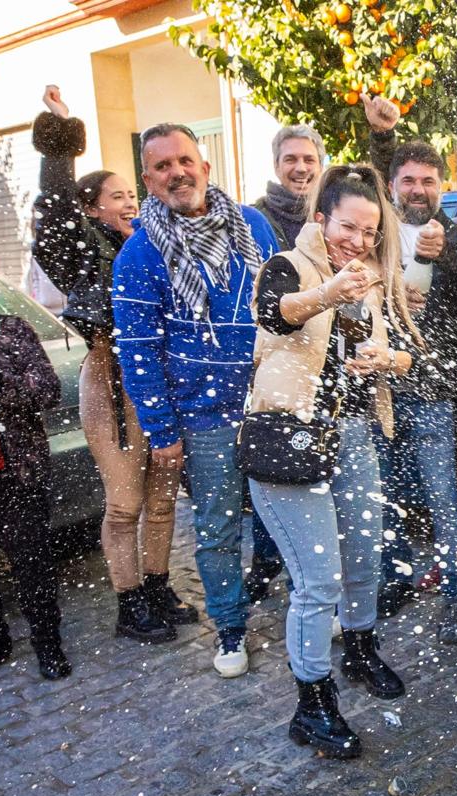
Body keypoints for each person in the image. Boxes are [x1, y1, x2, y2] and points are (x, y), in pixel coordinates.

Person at [248, 164, 417, 758]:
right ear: (322, 219)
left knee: (365, 556)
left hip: (352, 435)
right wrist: (328, 293)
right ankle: (311, 705)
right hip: (289, 438)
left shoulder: (369, 281)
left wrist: (385, 361)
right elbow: (274, 313)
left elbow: (406, 356)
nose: (359, 240)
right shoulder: (285, 267)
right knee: (318, 581)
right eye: (349, 226)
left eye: (369, 232)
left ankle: (362, 650)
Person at [112, 123, 279, 678]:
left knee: (284, 514)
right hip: (203, 418)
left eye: (185, 160)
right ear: (147, 180)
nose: (177, 172)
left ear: (205, 167)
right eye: (162, 166)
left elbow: (286, 302)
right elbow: (139, 353)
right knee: (217, 529)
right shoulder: (137, 256)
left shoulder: (252, 225)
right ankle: (231, 631)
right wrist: (162, 431)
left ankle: (309, 603)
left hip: (270, 402)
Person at [32, 86, 197, 643]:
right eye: (117, 195)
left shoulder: (158, 242)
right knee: (125, 502)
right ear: (92, 208)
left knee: (162, 499)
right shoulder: (83, 252)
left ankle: (156, 588)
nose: (129, 202)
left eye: (133, 192)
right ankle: (129, 605)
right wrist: (59, 141)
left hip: (163, 377)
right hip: (111, 381)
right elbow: (53, 210)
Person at [372, 138, 457, 642]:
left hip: (430, 388)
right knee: (385, 496)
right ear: (393, 185)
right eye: (409, 180)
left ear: (441, 186)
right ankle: (396, 577)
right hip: (378, 385)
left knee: (444, 497)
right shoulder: (374, 231)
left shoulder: (455, 233)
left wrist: (448, 260)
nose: (419, 190)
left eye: (428, 181)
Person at [243, 123, 326, 601]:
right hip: (274, 365)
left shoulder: (329, 217)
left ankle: (307, 576)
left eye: (308, 160)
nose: (300, 167)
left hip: (324, 371)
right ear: (276, 165)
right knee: (273, 465)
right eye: (291, 159)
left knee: (313, 475)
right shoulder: (256, 219)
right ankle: (268, 564)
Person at [0, 271, 71, 681]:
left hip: (15, 470)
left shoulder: (12, 331)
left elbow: (48, 392)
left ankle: (47, 643)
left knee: (31, 562)